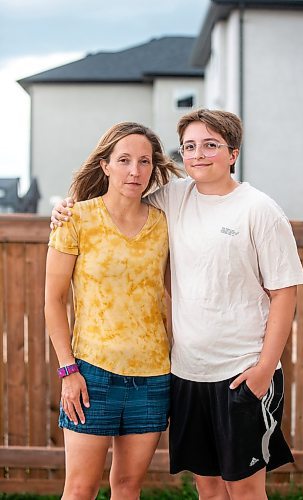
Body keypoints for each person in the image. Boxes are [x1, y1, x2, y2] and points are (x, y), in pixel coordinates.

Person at [51, 109, 303, 500]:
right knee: (207, 489)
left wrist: (264, 370)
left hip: (234, 372)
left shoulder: (257, 210)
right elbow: (119, 198)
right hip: (182, 375)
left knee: (244, 491)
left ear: (233, 152)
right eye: (190, 146)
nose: (199, 154)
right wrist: (64, 207)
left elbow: (285, 292)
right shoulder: (172, 198)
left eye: (211, 145)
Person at [45, 121, 180, 500]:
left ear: (154, 168)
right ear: (105, 165)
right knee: (79, 489)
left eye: (143, 162)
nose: (134, 171)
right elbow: (53, 301)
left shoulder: (165, 225)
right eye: (123, 160)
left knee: (127, 487)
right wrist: (68, 370)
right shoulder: (75, 219)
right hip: (90, 374)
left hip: (153, 376)